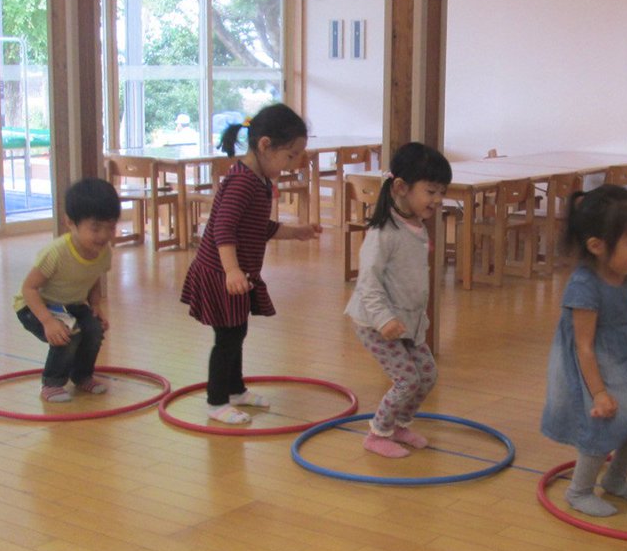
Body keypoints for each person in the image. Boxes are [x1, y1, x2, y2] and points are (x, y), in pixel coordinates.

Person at [180, 103, 321, 424]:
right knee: (227, 338)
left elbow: (258, 227)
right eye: (290, 156)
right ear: (265, 145)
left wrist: (296, 232)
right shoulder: (241, 182)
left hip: (236, 273)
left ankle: (235, 390)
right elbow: (223, 230)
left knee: (236, 332)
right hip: (220, 273)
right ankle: (217, 402)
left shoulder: (258, 180)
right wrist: (231, 271)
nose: (293, 164)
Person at [541, 184, 627, 517]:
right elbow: (583, 346)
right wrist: (599, 394)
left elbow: (622, 293)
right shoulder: (584, 286)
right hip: (595, 368)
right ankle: (578, 491)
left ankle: (616, 479)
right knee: (602, 426)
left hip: (621, 360)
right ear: (596, 246)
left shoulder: (618, 273)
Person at [345, 142, 452, 457]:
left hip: (407, 320)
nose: (438, 199)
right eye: (431, 191)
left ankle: (399, 425)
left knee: (428, 375)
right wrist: (384, 320)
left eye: (441, 192)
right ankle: (377, 434)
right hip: (374, 321)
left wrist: (416, 320)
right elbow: (368, 282)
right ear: (402, 188)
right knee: (406, 379)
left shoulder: (416, 225)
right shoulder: (383, 233)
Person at [14, 177, 121, 403]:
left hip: (71, 305)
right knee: (67, 332)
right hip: (34, 306)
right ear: (70, 223)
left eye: (110, 227)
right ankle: (51, 383)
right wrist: (47, 321)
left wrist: (96, 306)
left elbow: (93, 277)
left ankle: (82, 376)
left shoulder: (103, 251)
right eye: (95, 228)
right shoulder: (56, 253)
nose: (104, 235)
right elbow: (29, 288)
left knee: (94, 329)